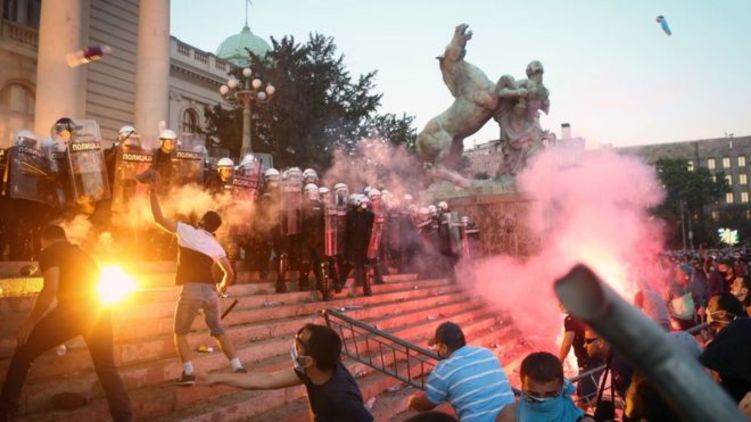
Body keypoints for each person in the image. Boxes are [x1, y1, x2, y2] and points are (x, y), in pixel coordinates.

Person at [0, 225, 132, 422]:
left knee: (24, 350)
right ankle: (124, 418)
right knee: (107, 368)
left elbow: (50, 289)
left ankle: (5, 412)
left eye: (42, 244)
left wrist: (30, 323)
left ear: (45, 240)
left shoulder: (49, 252)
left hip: (72, 313)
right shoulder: (80, 253)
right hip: (100, 311)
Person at [148, 176, 246, 386]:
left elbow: (158, 218)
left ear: (201, 221)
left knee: (180, 333)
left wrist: (152, 192)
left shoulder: (186, 231)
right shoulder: (216, 245)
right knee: (218, 331)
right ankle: (238, 366)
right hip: (210, 292)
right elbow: (229, 274)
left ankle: (189, 373)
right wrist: (222, 288)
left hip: (191, 290)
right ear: (215, 229)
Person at [206, 323, 373, 422]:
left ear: (309, 360)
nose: (294, 347)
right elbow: (268, 379)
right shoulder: (315, 369)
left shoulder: (342, 400)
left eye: (298, 345)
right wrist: (218, 377)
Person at [408, 322, 515, 421]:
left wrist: (412, 400)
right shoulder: (486, 353)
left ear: (444, 347)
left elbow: (425, 404)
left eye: (438, 346)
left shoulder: (444, 369)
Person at [496, 352, 593, 422]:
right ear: (522, 387)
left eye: (550, 394)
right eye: (534, 395)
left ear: (561, 386)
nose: (542, 401)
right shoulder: (510, 416)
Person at [699, 293, 751, 402]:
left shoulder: (727, 339)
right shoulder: (745, 324)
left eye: (710, 305)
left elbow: (707, 361)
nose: (707, 310)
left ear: (722, 313)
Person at [559, 311, 603, 405]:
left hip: (590, 362)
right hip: (595, 360)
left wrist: (559, 361)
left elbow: (567, 343)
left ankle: (612, 406)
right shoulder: (586, 314)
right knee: (582, 396)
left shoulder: (571, 319)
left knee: (588, 399)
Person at [667, 264, 700, 330]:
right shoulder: (671, 288)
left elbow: (697, 297)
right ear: (679, 275)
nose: (687, 278)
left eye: (689, 276)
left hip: (691, 319)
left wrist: (702, 305)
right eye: (685, 276)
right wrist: (673, 320)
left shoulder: (689, 285)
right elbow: (666, 304)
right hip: (679, 321)